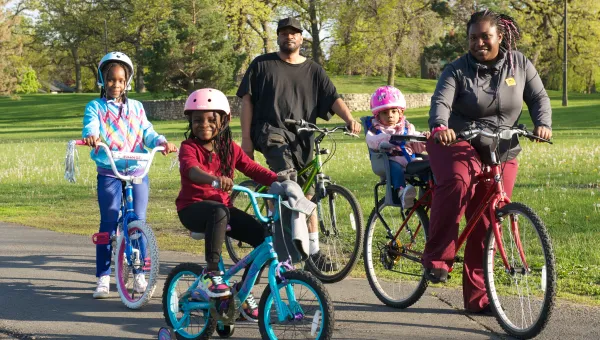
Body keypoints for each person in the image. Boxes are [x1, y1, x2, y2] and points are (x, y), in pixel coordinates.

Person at [421, 10, 552, 314]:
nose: (478, 42)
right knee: (457, 181)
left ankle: (478, 299)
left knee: (486, 222)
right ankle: (438, 259)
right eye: (473, 37)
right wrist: (440, 125)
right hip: (457, 140)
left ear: (499, 37)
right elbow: (441, 101)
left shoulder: (519, 64)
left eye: (485, 37)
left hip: (502, 147)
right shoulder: (457, 69)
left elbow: (539, 98)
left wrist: (542, 123)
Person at [236, 16, 361, 271]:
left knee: (308, 195)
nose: (289, 36)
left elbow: (332, 97)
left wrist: (349, 118)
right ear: (278, 37)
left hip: (303, 136)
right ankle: (283, 251)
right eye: (284, 32)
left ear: (301, 38)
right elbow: (246, 100)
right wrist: (246, 139)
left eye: (294, 33)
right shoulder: (262, 65)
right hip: (270, 132)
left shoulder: (314, 70)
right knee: (288, 182)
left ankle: (313, 251)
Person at [176, 88, 278, 320]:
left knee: (264, 240)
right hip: (192, 208)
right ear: (190, 122)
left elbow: (252, 169)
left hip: (221, 211)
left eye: (212, 119)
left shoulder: (229, 149)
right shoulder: (188, 148)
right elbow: (192, 171)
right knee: (220, 211)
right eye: (197, 120)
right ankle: (211, 274)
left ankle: (242, 292)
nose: (204, 124)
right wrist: (214, 180)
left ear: (224, 121)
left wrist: (279, 181)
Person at [82, 51, 178, 299]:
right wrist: (92, 136)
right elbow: (90, 125)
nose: (116, 85)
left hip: (137, 168)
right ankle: (103, 277)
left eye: (121, 80)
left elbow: (147, 131)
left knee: (139, 221)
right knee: (109, 220)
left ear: (128, 82)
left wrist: (161, 141)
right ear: (103, 80)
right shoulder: (96, 106)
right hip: (110, 170)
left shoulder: (136, 107)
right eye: (111, 79)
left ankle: (139, 275)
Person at [365, 85, 429, 208]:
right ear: (377, 115)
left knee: (425, 165)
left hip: (410, 159)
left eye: (394, 111)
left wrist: (424, 139)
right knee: (395, 169)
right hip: (390, 160)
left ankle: (430, 189)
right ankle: (402, 192)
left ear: (400, 113)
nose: (390, 115)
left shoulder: (407, 127)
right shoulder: (376, 129)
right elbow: (371, 140)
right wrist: (386, 139)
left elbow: (415, 143)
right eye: (385, 113)